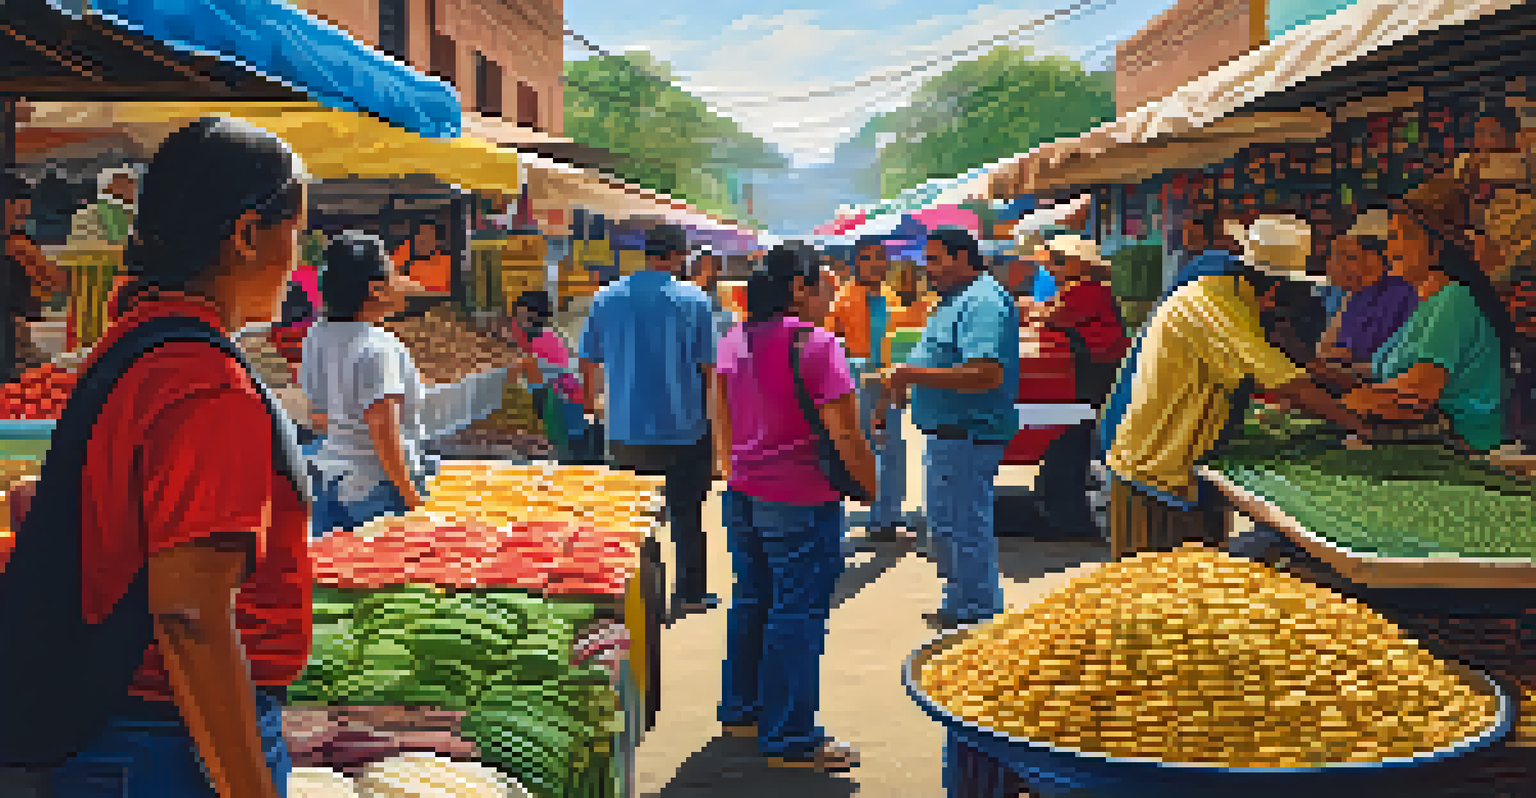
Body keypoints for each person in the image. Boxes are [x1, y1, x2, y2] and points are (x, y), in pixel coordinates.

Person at [40, 116, 309, 798]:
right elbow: (190, 616)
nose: (297, 256)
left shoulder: (138, 340)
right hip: (167, 745)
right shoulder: (205, 381)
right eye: (295, 232)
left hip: (124, 731)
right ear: (247, 234)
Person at [1100, 214, 1372, 562]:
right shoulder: (1217, 302)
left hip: (1183, 467)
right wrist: (1359, 424)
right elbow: (1291, 385)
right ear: (1274, 287)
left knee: (1196, 597)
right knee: (1149, 598)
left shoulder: (1226, 294)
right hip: (1151, 474)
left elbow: (1283, 369)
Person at [710, 243, 872, 773]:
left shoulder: (734, 338)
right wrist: (870, 486)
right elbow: (845, 431)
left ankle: (742, 708)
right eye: (823, 283)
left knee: (753, 600)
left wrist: (734, 468)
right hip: (800, 498)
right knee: (797, 614)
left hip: (744, 493)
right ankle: (791, 734)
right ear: (799, 288)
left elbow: (721, 418)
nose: (831, 294)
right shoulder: (817, 345)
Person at [303, 232, 510, 536]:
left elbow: (317, 417)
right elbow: (383, 430)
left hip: (330, 480)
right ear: (376, 289)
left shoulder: (317, 336)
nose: (402, 281)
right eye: (394, 273)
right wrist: (411, 498)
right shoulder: (377, 347)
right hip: (376, 488)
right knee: (380, 575)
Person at [878, 228, 1019, 631]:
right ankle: (962, 602)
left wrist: (910, 374)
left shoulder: (983, 302)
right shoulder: (955, 300)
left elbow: (986, 372)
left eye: (937, 260)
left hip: (968, 435)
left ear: (963, 258)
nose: (929, 269)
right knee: (947, 526)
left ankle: (977, 612)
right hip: (948, 436)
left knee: (963, 526)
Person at [579, 224, 719, 617]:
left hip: (626, 430)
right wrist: (716, 426)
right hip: (685, 428)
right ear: (679, 256)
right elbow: (710, 370)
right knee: (687, 516)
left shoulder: (606, 298)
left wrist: (592, 406)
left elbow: (588, 361)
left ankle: (638, 596)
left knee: (634, 519)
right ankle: (690, 593)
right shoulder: (694, 300)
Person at [1336, 196, 1516, 454]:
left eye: (1404, 236)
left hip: (1462, 446)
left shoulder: (1453, 300)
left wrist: (1343, 403)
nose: (1389, 247)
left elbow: (1419, 389)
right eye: (1390, 237)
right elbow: (1386, 373)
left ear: (1436, 247)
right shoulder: (1420, 303)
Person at [1017, 234, 1128, 539]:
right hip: (1080, 375)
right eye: (1052, 261)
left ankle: (1068, 516)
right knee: (1069, 441)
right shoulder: (1074, 290)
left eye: (1059, 261)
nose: (1052, 267)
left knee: (1073, 441)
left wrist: (1036, 311)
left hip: (1092, 376)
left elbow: (1052, 316)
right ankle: (1063, 510)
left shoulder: (1090, 291)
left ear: (1082, 264)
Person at [823, 236, 933, 541]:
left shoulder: (893, 297)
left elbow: (910, 336)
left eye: (881, 257)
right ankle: (872, 515)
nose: (877, 264)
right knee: (865, 450)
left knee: (894, 448)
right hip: (857, 385)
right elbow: (828, 346)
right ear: (855, 262)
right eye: (869, 258)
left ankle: (888, 518)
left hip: (891, 383)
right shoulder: (843, 300)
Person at [1312, 213, 1419, 380]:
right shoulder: (1353, 293)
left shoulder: (1405, 292)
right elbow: (1324, 350)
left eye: (1351, 256)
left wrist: (1348, 364)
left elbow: (1398, 360)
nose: (1342, 264)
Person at [501, 290, 592, 462]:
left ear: (534, 317)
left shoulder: (542, 340)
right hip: (561, 402)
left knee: (565, 455)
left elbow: (537, 380)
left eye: (520, 317)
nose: (515, 322)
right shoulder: (540, 337)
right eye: (516, 316)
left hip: (562, 404)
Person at [3, 174, 67, 378]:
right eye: (20, 206)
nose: (25, 212)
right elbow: (55, 282)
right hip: (16, 331)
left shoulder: (18, 242)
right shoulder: (16, 244)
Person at [391, 219, 451, 293]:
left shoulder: (445, 262)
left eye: (428, 235)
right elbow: (389, 277)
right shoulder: (404, 251)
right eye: (419, 234)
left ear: (437, 242)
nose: (422, 239)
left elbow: (445, 292)